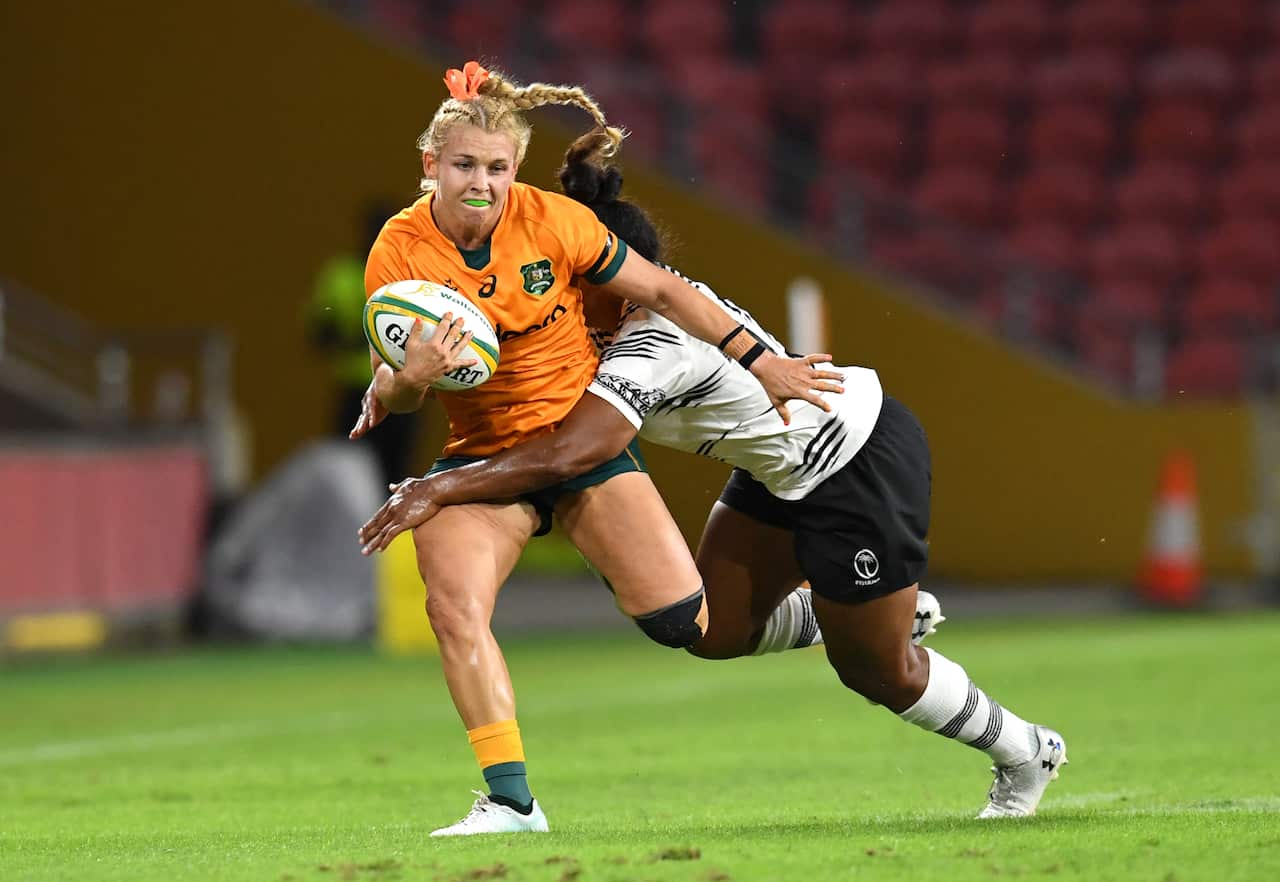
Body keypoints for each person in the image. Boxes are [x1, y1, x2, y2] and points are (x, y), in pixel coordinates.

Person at [358, 133, 1069, 820]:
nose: (563, 291)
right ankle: (842, 611)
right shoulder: (597, 329)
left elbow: (573, 452)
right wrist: (396, 382)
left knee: (878, 672)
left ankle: (1025, 751)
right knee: (706, 626)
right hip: (777, 471)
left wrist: (438, 486)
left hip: (855, 455)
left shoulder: (653, 343)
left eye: (579, 279)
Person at [348, 61, 840, 836]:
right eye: (465, 166)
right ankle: (512, 802)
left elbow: (669, 292)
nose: (482, 183)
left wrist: (762, 361)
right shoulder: (398, 250)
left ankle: (831, 616)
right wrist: (406, 380)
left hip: (578, 448)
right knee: (453, 608)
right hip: (482, 457)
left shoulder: (552, 222)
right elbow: (402, 388)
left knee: (691, 626)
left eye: (498, 168)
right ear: (430, 166)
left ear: (515, 168)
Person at [307, 200, 421, 487]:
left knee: (395, 471)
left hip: (401, 389)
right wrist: (360, 336)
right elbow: (318, 333)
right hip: (355, 390)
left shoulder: (411, 273)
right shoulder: (341, 274)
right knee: (348, 472)